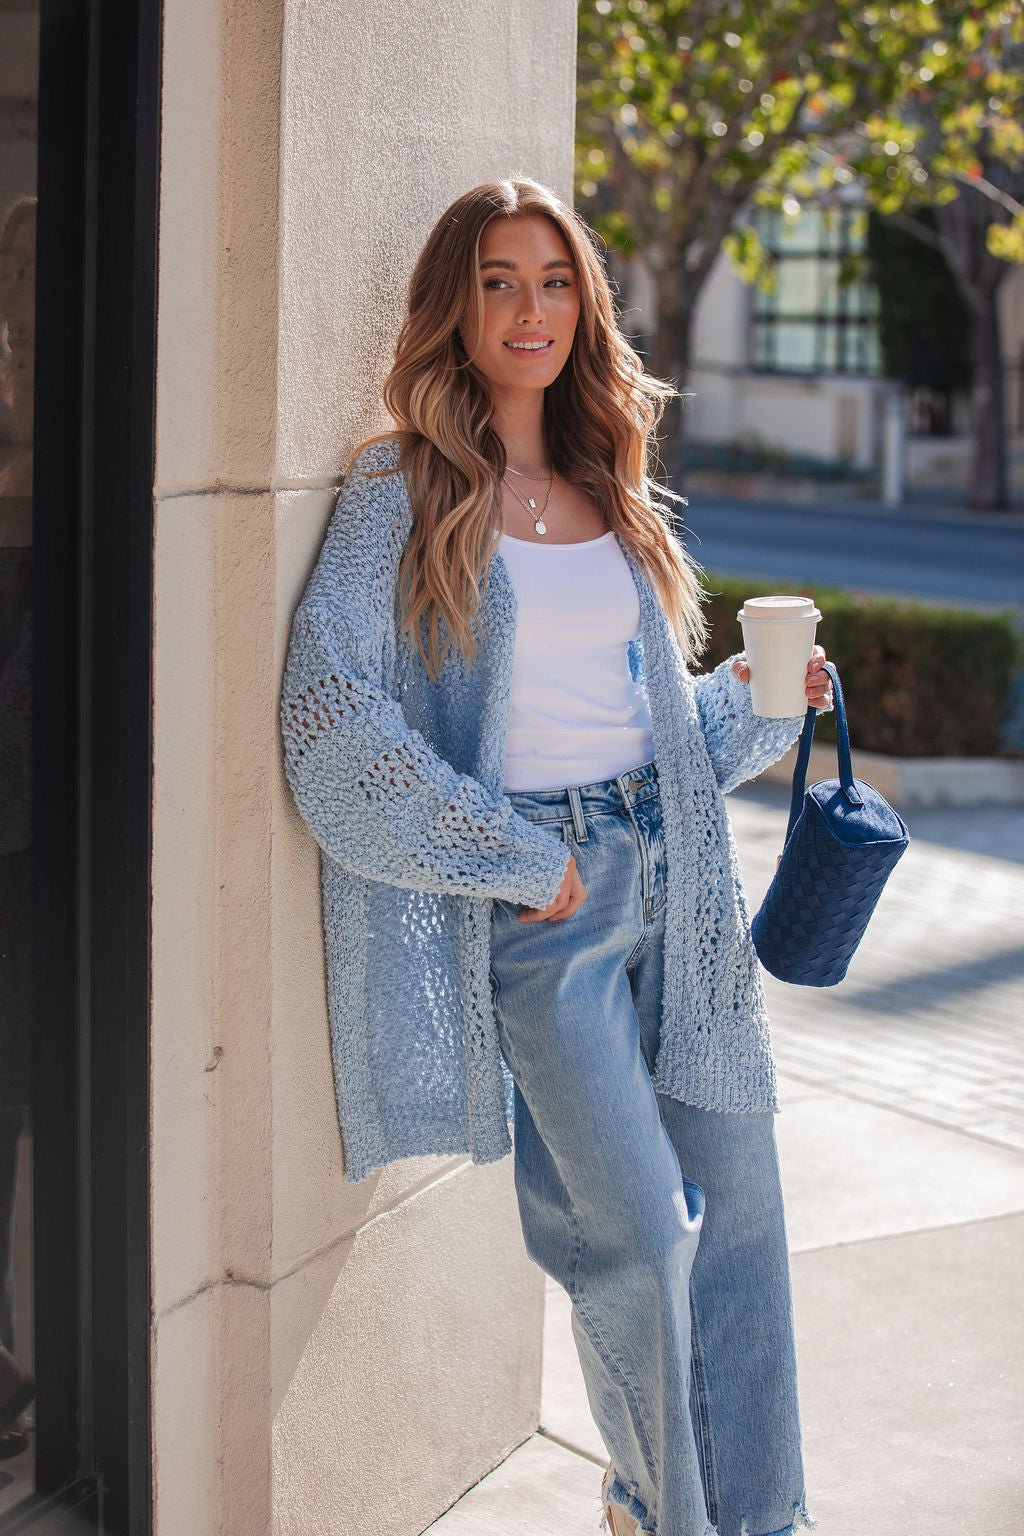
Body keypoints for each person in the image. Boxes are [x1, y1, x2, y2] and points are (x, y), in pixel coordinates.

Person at [280, 178, 829, 1536]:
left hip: (678, 880)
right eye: (498, 282)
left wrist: (763, 704)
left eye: (556, 281)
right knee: (636, 1234)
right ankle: (662, 1510)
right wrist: (515, 860)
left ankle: (766, 1521)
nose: (531, 310)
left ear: (586, 306)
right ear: (454, 309)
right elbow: (328, 718)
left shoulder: (607, 483)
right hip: (548, 906)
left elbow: (653, 731)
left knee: (743, 1218)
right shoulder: (400, 488)